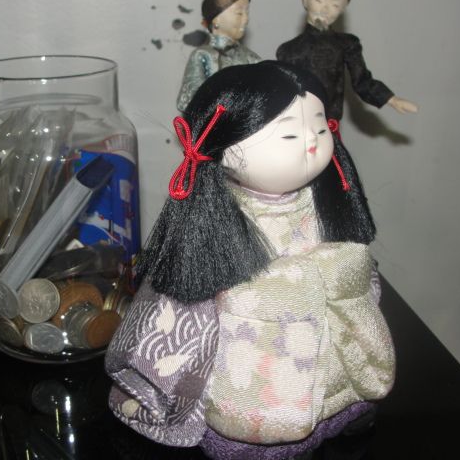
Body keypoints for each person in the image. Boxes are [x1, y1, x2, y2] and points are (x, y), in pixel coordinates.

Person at [106, 61, 395, 458]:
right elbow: (178, 320)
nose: (311, 142)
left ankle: (344, 410)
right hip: (260, 362)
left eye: (318, 128)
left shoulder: (325, 204)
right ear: (224, 150)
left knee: (349, 393)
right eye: (289, 133)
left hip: (339, 343)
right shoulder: (214, 222)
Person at [277, 0, 418, 120]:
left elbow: (362, 81)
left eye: (335, 5)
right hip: (295, 125)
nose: (325, 9)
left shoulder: (346, 44)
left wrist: (390, 99)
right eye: (319, 0)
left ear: (342, 9)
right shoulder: (287, 50)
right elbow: (282, 93)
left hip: (329, 125)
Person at [176, 0, 260, 112]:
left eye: (247, 12)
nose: (246, 19)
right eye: (239, 13)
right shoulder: (203, 56)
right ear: (216, 19)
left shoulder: (251, 58)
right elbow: (186, 102)